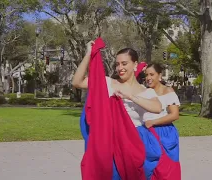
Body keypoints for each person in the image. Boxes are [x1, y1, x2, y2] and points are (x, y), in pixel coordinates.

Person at [73, 40, 180, 180]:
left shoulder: (146, 92)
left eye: (124, 64)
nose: (120, 68)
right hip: (109, 143)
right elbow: (77, 82)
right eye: (117, 64)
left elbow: (157, 107)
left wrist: (130, 96)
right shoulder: (108, 83)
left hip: (134, 145)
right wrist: (88, 53)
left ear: (135, 65)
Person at [143, 63, 181, 164]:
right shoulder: (145, 92)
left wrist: (153, 122)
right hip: (148, 133)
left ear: (159, 76)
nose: (148, 78)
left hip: (164, 133)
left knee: (166, 166)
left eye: (152, 74)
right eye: (146, 75)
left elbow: (175, 115)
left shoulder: (167, 90)